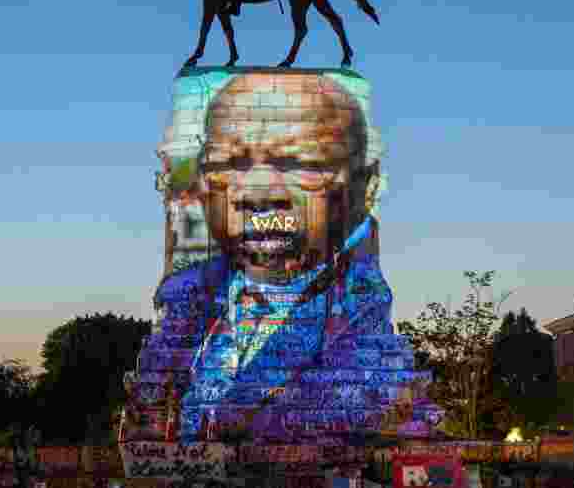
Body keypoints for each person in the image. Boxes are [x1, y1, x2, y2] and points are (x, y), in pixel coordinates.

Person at [131, 71, 441, 445]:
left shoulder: (364, 326)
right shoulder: (186, 299)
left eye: (301, 164)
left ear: (365, 186)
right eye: (228, 163)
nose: (258, 193)